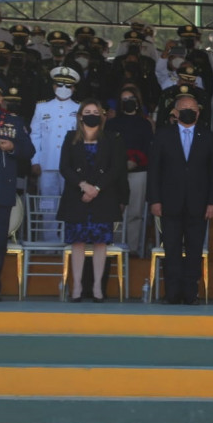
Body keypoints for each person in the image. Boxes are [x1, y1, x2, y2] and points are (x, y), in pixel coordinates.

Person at [147, 94, 213, 304]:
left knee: (194, 249)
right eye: (184, 108)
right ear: (175, 113)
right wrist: (154, 200)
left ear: (198, 113)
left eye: (193, 108)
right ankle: (172, 293)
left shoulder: (208, 137)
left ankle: (190, 293)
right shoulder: (162, 135)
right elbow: (154, 171)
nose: (189, 111)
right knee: (171, 249)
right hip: (169, 203)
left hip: (199, 205)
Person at [56, 99, 126, 302]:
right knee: (77, 243)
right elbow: (65, 167)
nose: (92, 114)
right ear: (80, 115)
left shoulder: (111, 138)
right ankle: (76, 286)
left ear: (102, 116)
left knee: (100, 243)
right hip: (76, 197)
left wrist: (96, 188)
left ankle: (97, 287)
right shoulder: (71, 138)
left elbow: (115, 168)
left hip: (103, 197)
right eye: (87, 111)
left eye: (96, 111)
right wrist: (83, 185)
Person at [0, 76, 33, 300]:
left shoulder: (13, 121)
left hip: (0, 191)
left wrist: (13, 146)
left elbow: (29, 150)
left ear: (1, 97)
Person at [106, 85, 153, 256]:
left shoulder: (145, 124)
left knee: (135, 212)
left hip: (138, 172)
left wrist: (135, 161)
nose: (128, 103)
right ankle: (115, 246)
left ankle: (133, 248)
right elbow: (107, 149)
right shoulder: (111, 124)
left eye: (131, 100)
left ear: (138, 102)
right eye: (124, 100)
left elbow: (149, 148)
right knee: (115, 212)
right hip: (116, 174)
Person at [30, 66, 80, 198]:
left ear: (74, 88)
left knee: (70, 201)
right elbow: (35, 136)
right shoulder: (41, 107)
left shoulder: (80, 108)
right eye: (59, 85)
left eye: (68, 86)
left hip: (71, 164)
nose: (63, 88)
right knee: (48, 203)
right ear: (53, 86)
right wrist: (35, 161)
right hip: (46, 163)